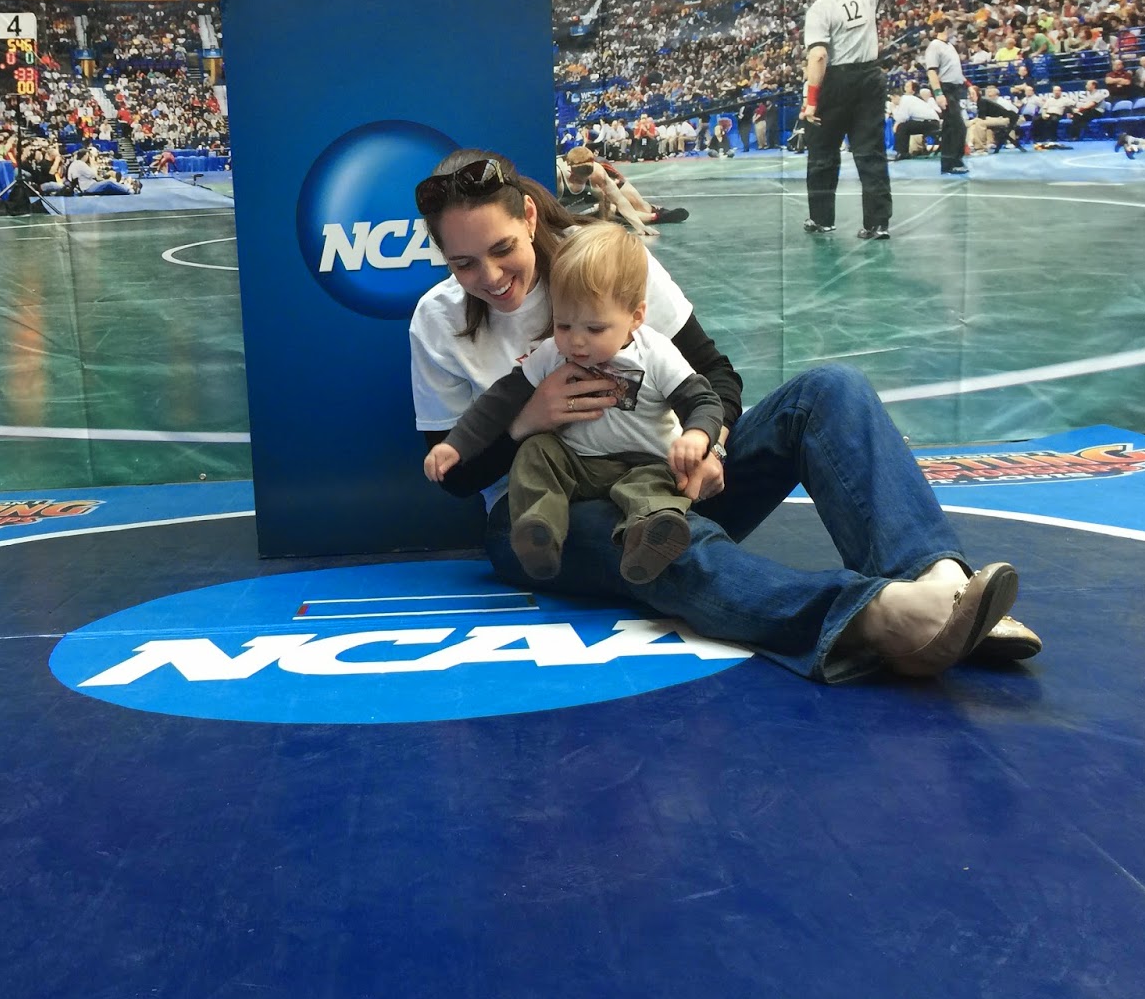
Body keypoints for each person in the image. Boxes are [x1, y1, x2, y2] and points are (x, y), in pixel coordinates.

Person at [408, 149, 1040, 682]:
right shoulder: (437, 322)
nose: (490, 276)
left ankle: (943, 587)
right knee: (652, 541)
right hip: (546, 519)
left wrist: (707, 443)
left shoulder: (604, 261)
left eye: (502, 249)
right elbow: (457, 477)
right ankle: (880, 617)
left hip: (670, 479)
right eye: (463, 263)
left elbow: (715, 376)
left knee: (830, 390)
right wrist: (529, 421)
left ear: (527, 215)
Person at [423, 223, 723, 585]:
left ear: (636, 317)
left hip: (644, 463)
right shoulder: (552, 353)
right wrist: (455, 444)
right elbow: (497, 402)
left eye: (595, 329)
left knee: (651, 489)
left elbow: (703, 399)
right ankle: (538, 530)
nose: (576, 342)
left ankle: (648, 537)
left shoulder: (655, 353)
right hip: (578, 466)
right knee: (536, 449)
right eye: (564, 325)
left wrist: (698, 436)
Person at [798, 0, 896, 239]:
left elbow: (818, 57)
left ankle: (822, 219)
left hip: (837, 82)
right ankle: (877, 224)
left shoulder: (819, 9)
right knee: (870, 152)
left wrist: (811, 100)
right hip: (870, 77)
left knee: (822, 152)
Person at [923, 18, 970, 175]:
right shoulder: (934, 46)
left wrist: (969, 86)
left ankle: (947, 163)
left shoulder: (949, 46)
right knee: (958, 126)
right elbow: (932, 71)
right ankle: (955, 161)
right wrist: (938, 93)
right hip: (945, 88)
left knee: (950, 127)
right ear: (946, 28)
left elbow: (956, 71)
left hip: (955, 88)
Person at [889, 86, 942, 160]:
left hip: (930, 123)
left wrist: (893, 108)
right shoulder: (907, 99)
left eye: (892, 99)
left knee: (902, 127)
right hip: (929, 122)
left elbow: (902, 118)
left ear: (895, 96)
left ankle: (902, 153)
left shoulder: (905, 100)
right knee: (903, 126)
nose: (892, 101)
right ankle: (902, 152)